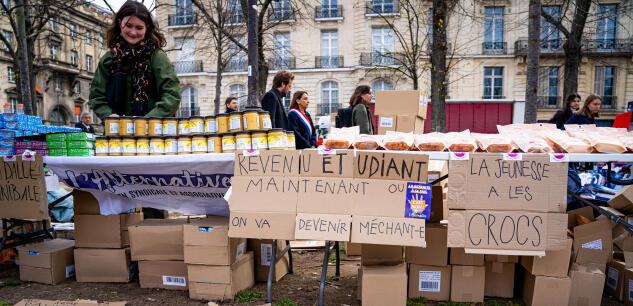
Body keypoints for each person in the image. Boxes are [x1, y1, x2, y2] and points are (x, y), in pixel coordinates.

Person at [89, 1, 181, 121]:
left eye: (139, 28)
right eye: (128, 25)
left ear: (147, 28)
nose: (133, 32)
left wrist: (146, 121)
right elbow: (96, 96)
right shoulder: (108, 59)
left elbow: (172, 95)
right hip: (116, 131)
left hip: (152, 133)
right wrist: (108, 115)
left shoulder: (157, 57)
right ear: (119, 23)